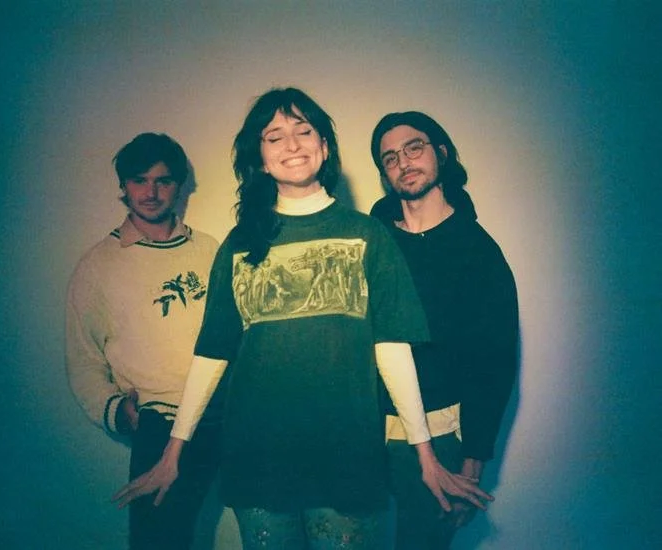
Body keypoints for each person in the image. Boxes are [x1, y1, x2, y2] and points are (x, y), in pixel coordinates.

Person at [114, 88, 492, 550]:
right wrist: (173, 453)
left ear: (324, 147)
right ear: (260, 158)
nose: (291, 145)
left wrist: (426, 457)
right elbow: (212, 354)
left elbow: (393, 351)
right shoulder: (239, 245)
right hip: (258, 464)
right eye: (274, 137)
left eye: (303, 131)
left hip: (347, 464)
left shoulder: (368, 235)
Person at [65, 133, 223, 550]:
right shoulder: (99, 265)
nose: (151, 193)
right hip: (158, 424)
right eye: (139, 180)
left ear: (179, 186)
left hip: (224, 416)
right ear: (124, 186)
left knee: (264, 529)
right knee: (159, 542)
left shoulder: (209, 250)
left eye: (163, 181)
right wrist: (118, 412)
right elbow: (83, 360)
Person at [369, 111, 519, 549]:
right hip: (362, 431)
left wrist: (473, 461)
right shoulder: (371, 244)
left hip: (439, 437)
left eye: (413, 147)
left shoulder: (479, 252)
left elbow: (494, 362)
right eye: (390, 157)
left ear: (442, 153)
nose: (403, 162)